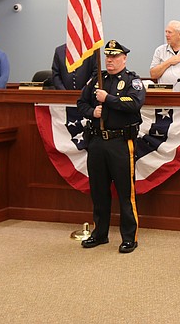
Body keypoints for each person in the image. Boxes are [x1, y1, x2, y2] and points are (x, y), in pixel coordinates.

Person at [77, 39, 146, 254]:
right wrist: (92, 112)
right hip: (97, 141)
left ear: (124, 59)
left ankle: (129, 238)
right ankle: (100, 233)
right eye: (108, 56)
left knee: (126, 192)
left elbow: (134, 104)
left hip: (120, 143)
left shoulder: (132, 81)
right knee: (98, 191)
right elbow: (81, 103)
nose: (110, 60)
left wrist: (109, 99)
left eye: (115, 56)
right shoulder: (96, 79)